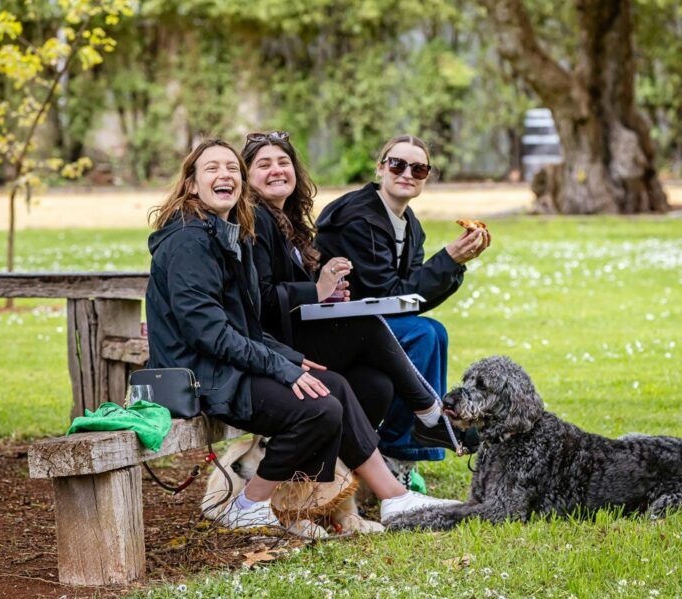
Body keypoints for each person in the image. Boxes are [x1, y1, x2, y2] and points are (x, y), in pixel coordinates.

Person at [144, 138, 458, 528]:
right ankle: (248, 504)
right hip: (203, 376)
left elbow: (244, 326)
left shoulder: (224, 236)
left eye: (231, 169)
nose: (225, 175)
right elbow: (209, 334)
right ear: (191, 184)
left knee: (334, 385)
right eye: (212, 168)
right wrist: (283, 366)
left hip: (227, 364)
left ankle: (394, 498)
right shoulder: (189, 242)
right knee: (320, 407)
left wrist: (291, 359)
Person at [240, 131, 459, 452]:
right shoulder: (261, 219)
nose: (276, 170)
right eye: (264, 165)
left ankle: (357, 464)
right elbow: (262, 299)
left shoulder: (287, 220)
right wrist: (316, 290)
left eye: (283, 162)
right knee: (405, 330)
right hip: (274, 343)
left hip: (305, 328)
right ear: (380, 167)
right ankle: (428, 420)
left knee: (378, 385)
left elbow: (411, 297)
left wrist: (325, 292)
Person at [315, 134, 490, 471]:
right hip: (331, 328)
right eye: (397, 164)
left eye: (419, 169)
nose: (407, 173)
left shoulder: (410, 227)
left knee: (434, 332)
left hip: (368, 322)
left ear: (426, 177)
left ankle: (412, 445)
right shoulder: (358, 218)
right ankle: (399, 447)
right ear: (381, 168)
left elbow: (410, 301)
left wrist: (454, 264)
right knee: (422, 334)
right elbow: (386, 295)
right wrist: (448, 259)